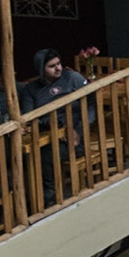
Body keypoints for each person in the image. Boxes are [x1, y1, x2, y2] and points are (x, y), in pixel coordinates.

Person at [21, 48, 89, 207]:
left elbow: (91, 102)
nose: (58, 68)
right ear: (41, 69)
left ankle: (49, 194)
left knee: (45, 155)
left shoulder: (72, 78)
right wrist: (52, 126)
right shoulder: (31, 89)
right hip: (47, 135)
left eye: (59, 63)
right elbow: (29, 117)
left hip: (76, 138)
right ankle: (33, 196)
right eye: (52, 66)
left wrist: (77, 130)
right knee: (30, 155)